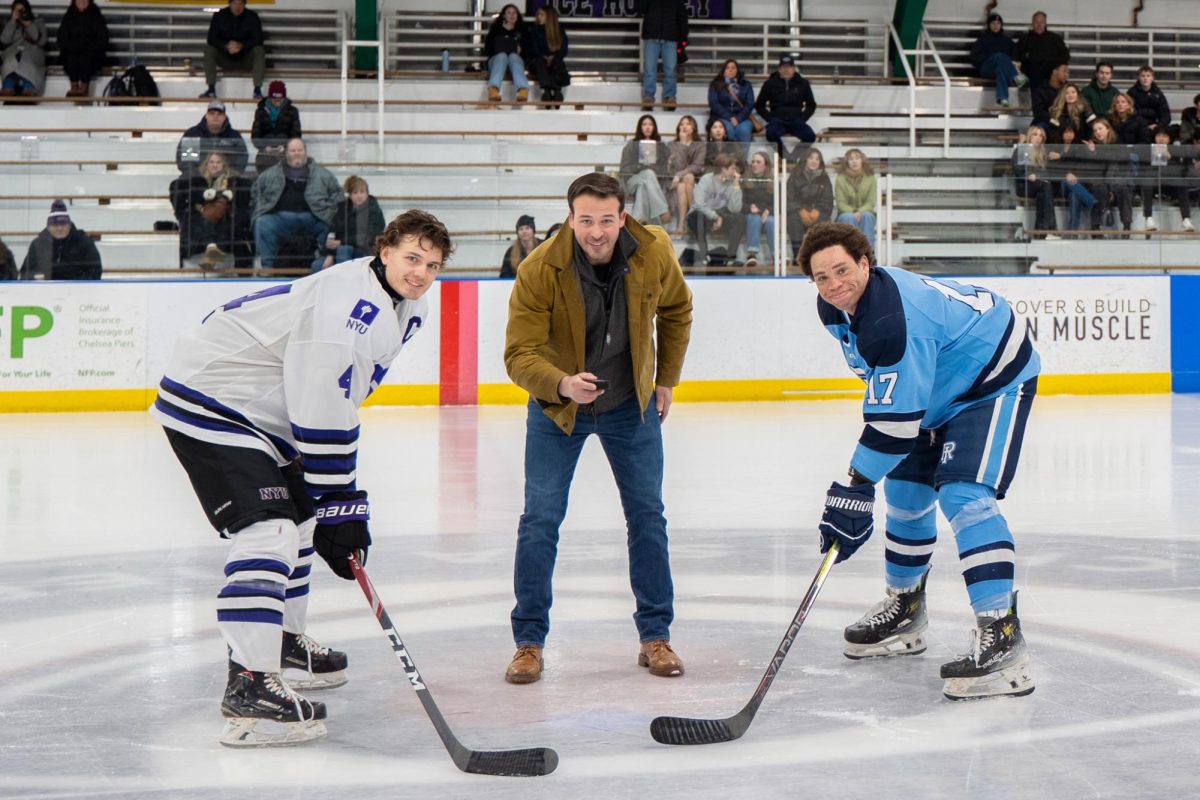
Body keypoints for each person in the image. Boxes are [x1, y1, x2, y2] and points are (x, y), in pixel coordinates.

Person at [151, 210, 452, 747]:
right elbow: (322, 400)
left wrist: (336, 504)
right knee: (268, 532)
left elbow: (341, 395)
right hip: (216, 399)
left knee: (308, 522)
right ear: (384, 252)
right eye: (412, 258)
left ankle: (282, 641)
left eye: (432, 264)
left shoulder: (410, 306)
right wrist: (343, 496)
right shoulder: (347, 304)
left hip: (267, 410)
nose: (421, 273)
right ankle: (248, 685)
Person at [797, 221, 1039, 702]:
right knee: (905, 494)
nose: (833, 285)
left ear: (866, 263)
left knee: (964, 495)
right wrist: (865, 483)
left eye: (842, 270)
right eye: (821, 277)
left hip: (990, 380)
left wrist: (854, 487)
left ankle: (1002, 636)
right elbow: (892, 399)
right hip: (934, 389)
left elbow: (893, 423)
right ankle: (905, 606)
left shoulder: (891, 318)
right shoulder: (833, 309)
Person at [502, 171, 692, 684]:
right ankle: (528, 643)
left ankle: (656, 636)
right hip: (557, 410)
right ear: (570, 219)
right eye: (586, 220)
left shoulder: (652, 251)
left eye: (607, 220)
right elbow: (518, 355)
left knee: (648, 517)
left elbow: (677, 309)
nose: (596, 231)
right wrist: (561, 384)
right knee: (540, 520)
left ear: (622, 217)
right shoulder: (540, 267)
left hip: (630, 406)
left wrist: (666, 378)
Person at [252, 138, 344, 271]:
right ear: (286, 153)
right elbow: (256, 193)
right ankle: (267, 269)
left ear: (305, 152)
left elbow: (338, 195)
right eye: (293, 150)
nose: (297, 153)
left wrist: (327, 209)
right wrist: (264, 207)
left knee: (328, 225)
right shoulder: (270, 174)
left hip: (314, 219)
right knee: (262, 223)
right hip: (280, 219)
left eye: (300, 150)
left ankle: (321, 267)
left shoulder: (323, 174)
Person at [170, 149, 253, 271]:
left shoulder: (234, 181)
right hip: (201, 220)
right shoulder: (196, 181)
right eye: (211, 162)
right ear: (206, 164)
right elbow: (183, 194)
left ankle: (210, 252)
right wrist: (203, 195)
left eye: (218, 162)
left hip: (226, 221)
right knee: (202, 220)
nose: (215, 165)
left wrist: (227, 196)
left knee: (220, 222)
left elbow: (244, 201)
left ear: (223, 165)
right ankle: (211, 250)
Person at [18, 200, 102, 280]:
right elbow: (26, 273)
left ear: (69, 225)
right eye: (55, 224)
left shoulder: (84, 243)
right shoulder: (38, 244)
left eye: (63, 224)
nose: (59, 228)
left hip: (78, 291)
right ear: (48, 227)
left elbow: (95, 272)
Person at [754, 54, 818, 157]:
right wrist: (770, 119)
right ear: (779, 69)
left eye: (789, 67)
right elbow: (759, 105)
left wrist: (803, 118)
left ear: (794, 69)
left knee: (810, 136)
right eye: (784, 67)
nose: (786, 70)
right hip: (777, 120)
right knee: (770, 134)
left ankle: (793, 157)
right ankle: (785, 156)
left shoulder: (803, 83)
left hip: (796, 119)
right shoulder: (770, 84)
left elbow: (811, 105)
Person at [317, 175, 386, 270]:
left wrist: (342, 242)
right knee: (317, 266)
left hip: (366, 251)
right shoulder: (343, 208)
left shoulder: (373, 209)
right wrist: (330, 255)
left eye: (362, 192)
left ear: (367, 193)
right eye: (355, 192)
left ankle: (344, 281)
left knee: (344, 250)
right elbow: (333, 231)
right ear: (350, 195)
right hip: (343, 249)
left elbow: (369, 237)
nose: (359, 196)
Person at [200, 0, 265, 100]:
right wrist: (226, 46)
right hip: (225, 58)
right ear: (229, 4)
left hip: (245, 59)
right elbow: (211, 38)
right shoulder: (219, 15)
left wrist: (241, 45)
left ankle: (257, 91)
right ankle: (211, 90)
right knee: (209, 50)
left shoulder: (252, 16)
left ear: (245, 4)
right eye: (234, 3)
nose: (237, 7)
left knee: (259, 50)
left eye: (240, 4)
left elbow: (259, 39)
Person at [689, 152, 744, 267]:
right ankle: (704, 254)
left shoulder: (731, 183)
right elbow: (699, 204)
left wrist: (736, 185)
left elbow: (735, 209)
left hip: (720, 216)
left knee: (739, 218)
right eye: (733, 168)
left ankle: (730, 258)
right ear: (723, 168)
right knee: (696, 216)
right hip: (703, 216)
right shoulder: (706, 179)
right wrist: (715, 217)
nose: (735, 172)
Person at [619, 113, 672, 226]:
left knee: (644, 184)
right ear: (640, 127)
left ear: (654, 127)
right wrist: (641, 166)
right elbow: (624, 170)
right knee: (647, 174)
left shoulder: (661, 146)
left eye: (650, 124)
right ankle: (662, 210)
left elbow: (665, 171)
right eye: (644, 124)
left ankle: (639, 218)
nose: (647, 127)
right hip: (632, 182)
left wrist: (652, 167)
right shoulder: (631, 145)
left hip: (653, 184)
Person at [636, 0, 687, 111]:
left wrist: (683, 38)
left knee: (670, 70)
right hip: (651, 37)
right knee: (649, 70)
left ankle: (670, 97)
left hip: (671, 38)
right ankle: (648, 97)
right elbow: (639, 8)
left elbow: (682, 17)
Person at [176, 100, 249, 177]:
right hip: (197, 179)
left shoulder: (234, 136)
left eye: (219, 114)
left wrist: (227, 175)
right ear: (206, 115)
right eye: (212, 113)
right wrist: (199, 175)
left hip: (226, 179)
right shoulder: (193, 134)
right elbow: (185, 162)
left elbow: (241, 161)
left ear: (224, 117)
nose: (215, 116)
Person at [969, 13, 1026, 108]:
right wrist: (991, 58)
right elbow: (974, 58)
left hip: (1002, 70)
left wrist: (1012, 62)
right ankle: (1015, 77)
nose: (996, 25)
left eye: (998, 23)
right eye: (993, 23)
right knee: (998, 56)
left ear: (1001, 25)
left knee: (1000, 69)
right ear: (989, 25)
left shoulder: (1007, 41)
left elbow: (1016, 57)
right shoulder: (982, 40)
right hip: (986, 69)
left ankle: (1003, 98)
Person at [786, 147, 834, 261]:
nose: (814, 161)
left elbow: (828, 200)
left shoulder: (825, 178)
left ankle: (819, 257)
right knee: (793, 218)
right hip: (798, 211)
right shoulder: (794, 176)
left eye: (817, 159)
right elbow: (789, 198)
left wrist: (817, 211)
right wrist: (801, 210)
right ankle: (797, 255)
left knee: (823, 220)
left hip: (818, 212)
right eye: (811, 158)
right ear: (805, 160)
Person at [1013, 125, 1059, 239]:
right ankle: (1050, 229)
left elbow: (1046, 173)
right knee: (1046, 187)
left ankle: (1041, 232)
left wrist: (1037, 175)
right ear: (1030, 136)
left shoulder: (1042, 153)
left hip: (1039, 185)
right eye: (1035, 134)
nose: (1038, 138)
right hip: (1024, 186)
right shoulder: (1022, 149)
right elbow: (1017, 169)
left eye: (1041, 136)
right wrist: (1027, 175)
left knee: (1043, 193)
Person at [56, 0, 108, 98]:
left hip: (92, 53)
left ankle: (84, 87)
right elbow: (61, 37)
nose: (82, 3)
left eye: (85, 1)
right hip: (72, 51)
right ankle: (74, 86)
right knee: (71, 56)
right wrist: (73, 46)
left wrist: (89, 47)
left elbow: (103, 38)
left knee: (85, 56)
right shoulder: (69, 16)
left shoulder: (96, 16)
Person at [251, 80, 302, 173]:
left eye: (280, 99)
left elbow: (296, 135)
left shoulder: (293, 111)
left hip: (285, 154)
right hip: (265, 155)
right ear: (270, 98)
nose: (277, 102)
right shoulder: (260, 111)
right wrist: (264, 148)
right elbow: (255, 136)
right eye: (274, 99)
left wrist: (286, 147)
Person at [666, 114, 705, 236]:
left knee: (689, 177)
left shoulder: (700, 145)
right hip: (675, 181)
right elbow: (676, 167)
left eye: (688, 124)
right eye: (682, 124)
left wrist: (680, 174)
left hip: (695, 180)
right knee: (681, 185)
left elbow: (697, 166)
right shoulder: (672, 145)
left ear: (694, 127)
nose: (684, 126)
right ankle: (686, 221)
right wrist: (682, 144)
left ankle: (683, 223)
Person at [483, 4, 530, 104]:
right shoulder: (495, 29)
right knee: (502, 55)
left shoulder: (522, 30)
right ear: (504, 15)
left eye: (514, 13)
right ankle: (493, 89)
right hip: (497, 61)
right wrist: (496, 48)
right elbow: (487, 47)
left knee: (513, 56)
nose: (512, 15)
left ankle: (523, 90)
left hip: (515, 63)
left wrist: (521, 50)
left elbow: (529, 49)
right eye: (509, 13)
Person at [1, 0, 46, 97]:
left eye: (23, 10)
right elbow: (4, 40)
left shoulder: (38, 22)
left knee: (26, 60)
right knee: (11, 60)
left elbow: (42, 41)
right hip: (13, 52)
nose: (20, 13)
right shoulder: (8, 23)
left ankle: (29, 87)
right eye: (17, 10)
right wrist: (12, 21)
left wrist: (29, 25)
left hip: (33, 52)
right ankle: (7, 87)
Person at [1015, 10, 1069, 90]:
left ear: (1045, 23)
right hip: (1031, 78)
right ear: (1032, 23)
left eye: (1042, 22)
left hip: (1052, 78)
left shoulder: (1055, 39)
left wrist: (1056, 67)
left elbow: (1066, 55)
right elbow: (1018, 57)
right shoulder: (1024, 40)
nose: (1039, 25)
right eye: (1036, 22)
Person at [707, 58, 756, 144]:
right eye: (727, 68)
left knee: (744, 131)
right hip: (722, 117)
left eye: (733, 68)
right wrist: (729, 117)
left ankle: (743, 157)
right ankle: (728, 157)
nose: (730, 70)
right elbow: (713, 103)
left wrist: (738, 118)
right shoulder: (715, 84)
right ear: (723, 70)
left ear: (737, 70)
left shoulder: (746, 84)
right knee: (728, 130)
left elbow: (750, 104)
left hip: (742, 118)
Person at [834, 148, 877, 244]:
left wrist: (860, 211)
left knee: (867, 216)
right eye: (851, 159)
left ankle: (868, 253)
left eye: (857, 158)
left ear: (862, 160)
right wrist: (854, 212)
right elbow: (841, 204)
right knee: (849, 217)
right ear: (847, 162)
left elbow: (871, 202)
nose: (854, 161)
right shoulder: (840, 178)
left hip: (865, 212)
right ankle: (851, 253)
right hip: (846, 213)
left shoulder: (870, 177)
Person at [742, 150, 775, 267]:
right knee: (754, 218)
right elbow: (739, 203)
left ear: (766, 165)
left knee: (771, 221)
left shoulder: (773, 181)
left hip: (767, 215)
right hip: (750, 215)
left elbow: (778, 202)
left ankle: (776, 255)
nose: (754, 164)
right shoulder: (745, 180)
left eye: (758, 162)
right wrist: (749, 207)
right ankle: (752, 254)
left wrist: (768, 211)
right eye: (753, 162)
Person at [530, 5, 568, 106]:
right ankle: (547, 90)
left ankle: (556, 92)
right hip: (539, 61)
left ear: (549, 17)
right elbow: (533, 49)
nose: (539, 17)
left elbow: (563, 50)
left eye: (542, 14)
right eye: (538, 14)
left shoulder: (559, 31)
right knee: (540, 62)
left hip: (555, 61)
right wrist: (544, 56)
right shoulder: (535, 31)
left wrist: (553, 56)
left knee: (558, 62)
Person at [1128, 65, 1171, 137]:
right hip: (1137, 125)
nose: (1145, 78)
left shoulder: (1158, 93)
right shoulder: (1132, 93)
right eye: (1143, 76)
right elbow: (1130, 112)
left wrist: (1158, 125)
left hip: (1155, 126)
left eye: (1148, 76)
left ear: (1152, 78)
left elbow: (1165, 113)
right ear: (1138, 77)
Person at [499, 213, 539, 278]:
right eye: (521, 229)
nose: (524, 231)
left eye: (527, 228)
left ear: (533, 231)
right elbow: (504, 275)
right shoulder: (511, 251)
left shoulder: (542, 246)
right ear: (517, 232)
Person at [1031, 61, 1068, 131]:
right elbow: (1039, 113)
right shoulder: (1040, 90)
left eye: (1067, 72)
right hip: (1046, 123)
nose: (1067, 74)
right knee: (1039, 129)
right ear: (1054, 71)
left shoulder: (1068, 89)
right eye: (1064, 71)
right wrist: (1053, 121)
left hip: (1064, 123)